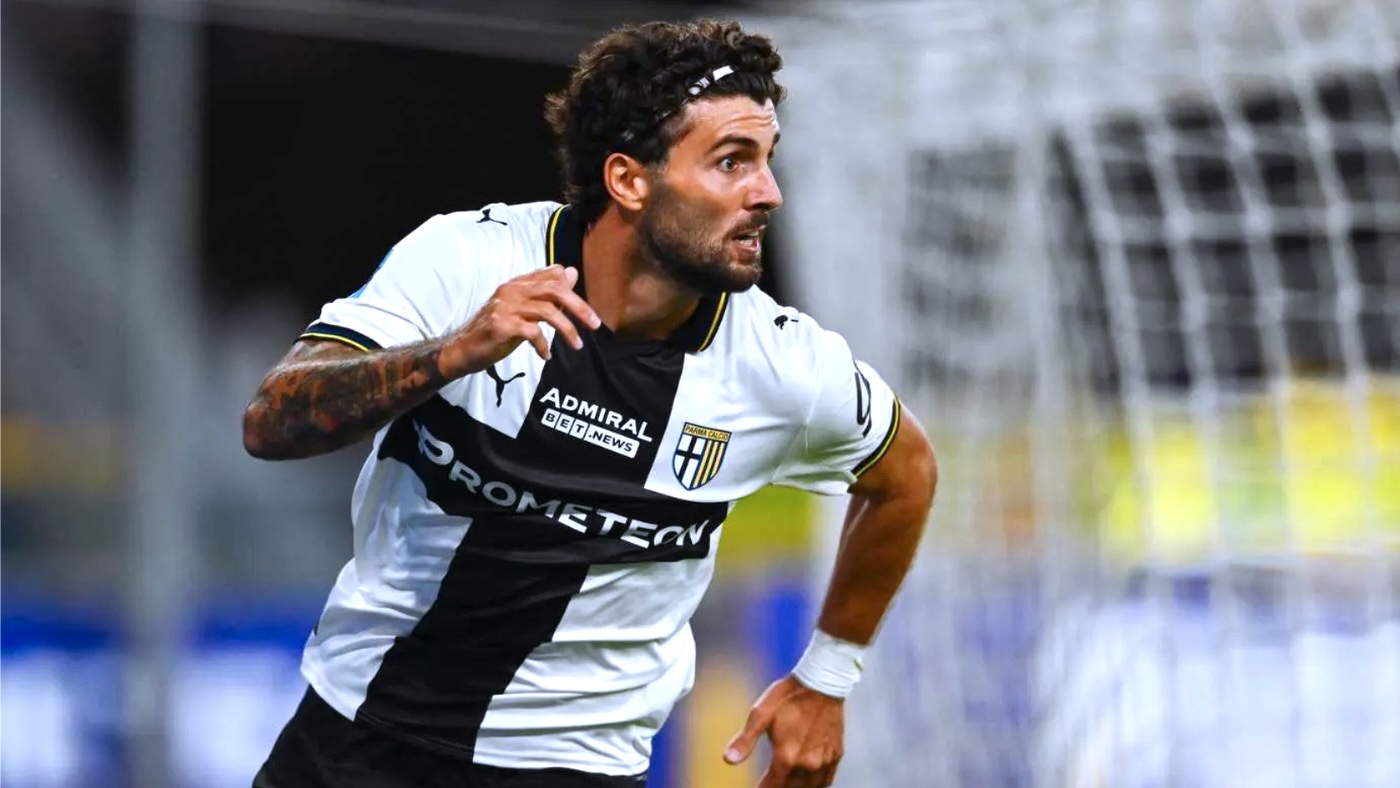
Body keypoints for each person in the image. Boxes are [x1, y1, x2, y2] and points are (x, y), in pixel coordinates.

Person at [243, 18, 936, 788]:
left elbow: (907, 475)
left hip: (574, 768)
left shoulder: (783, 366)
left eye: (767, 161)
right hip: (356, 739)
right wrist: (450, 354)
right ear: (629, 181)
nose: (767, 193)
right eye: (731, 162)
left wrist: (827, 679)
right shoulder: (468, 261)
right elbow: (272, 420)